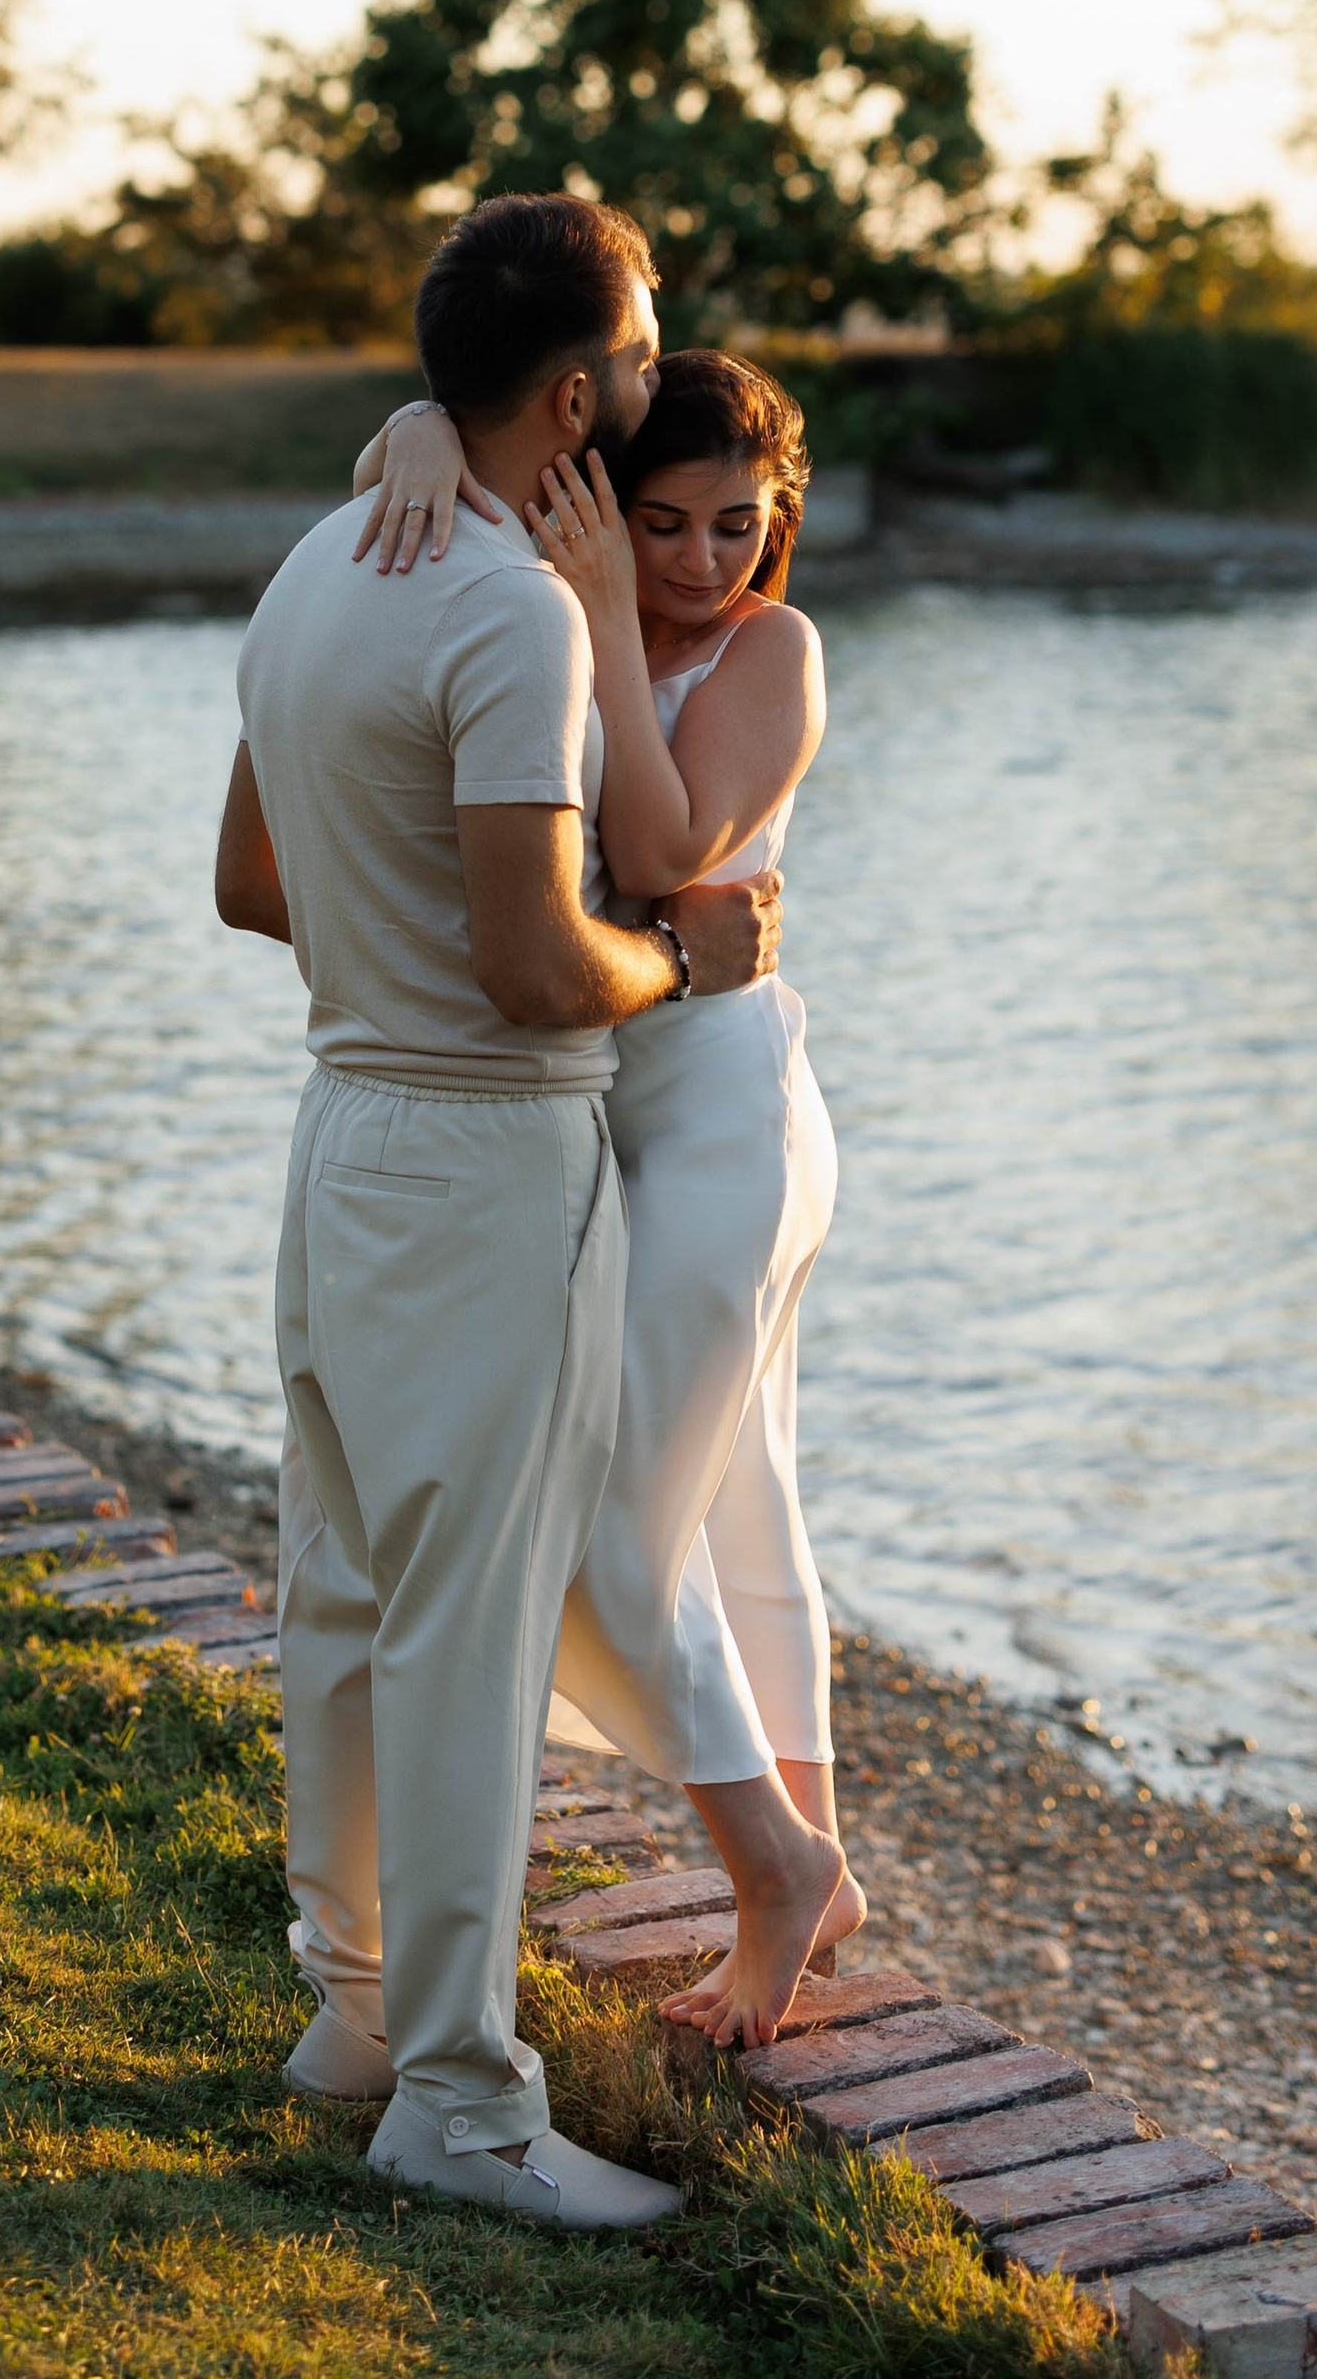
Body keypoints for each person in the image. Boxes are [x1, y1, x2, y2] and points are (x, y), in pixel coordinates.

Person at [214, 195, 782, 2231]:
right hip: (476, 1148)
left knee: (349, 1597)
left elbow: (249, 882)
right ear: (572, 390)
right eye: (637, 351)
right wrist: (679, 957)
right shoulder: (507, 609)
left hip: (336, 1126)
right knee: (459, 1631)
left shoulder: (311, 569)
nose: (653, 375)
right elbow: (548, 968)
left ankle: (350, 2013)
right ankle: (457, 2107)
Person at [352, 349, 859, 2045]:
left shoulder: (770, 650)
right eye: (661, 520)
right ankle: (812, 1869)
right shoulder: (561, 594)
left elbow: (652, 862)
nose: (703, 558)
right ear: (598, 495)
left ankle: (776, 1869)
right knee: (737, 1504)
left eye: (739, 522)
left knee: (610, 1522)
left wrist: (613, 620)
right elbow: (453, 434)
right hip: (605, 1116)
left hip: (726, 1120)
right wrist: (423, 427)